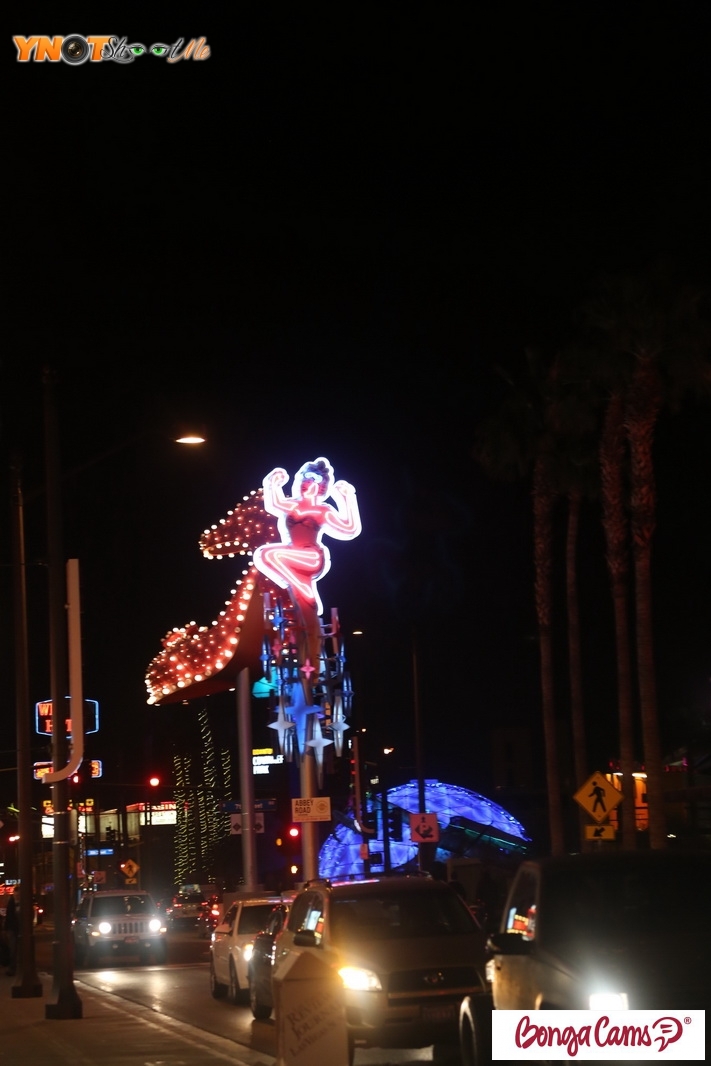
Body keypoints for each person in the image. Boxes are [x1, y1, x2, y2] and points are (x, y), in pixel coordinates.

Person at [254, 458, 361, 677]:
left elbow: (350, 528)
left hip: (311, 557)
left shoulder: (323, 511)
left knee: (270, 554)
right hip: (291, 559)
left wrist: (347, 498)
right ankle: (311, 665)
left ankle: (299, 586)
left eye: (313, 479)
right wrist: (273, 483)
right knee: (306, 609)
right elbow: (274, 502)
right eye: (304, 478)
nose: (306, 482)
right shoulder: (292, 505)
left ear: (321, 485)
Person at [4, 890, 18, 975]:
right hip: (13, 928)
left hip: (14, 928)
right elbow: (9, 916)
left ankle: (13, 967)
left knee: (14, 949)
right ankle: (13, 967)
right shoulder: (12, 902)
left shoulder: (13, 902)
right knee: (13, 949)